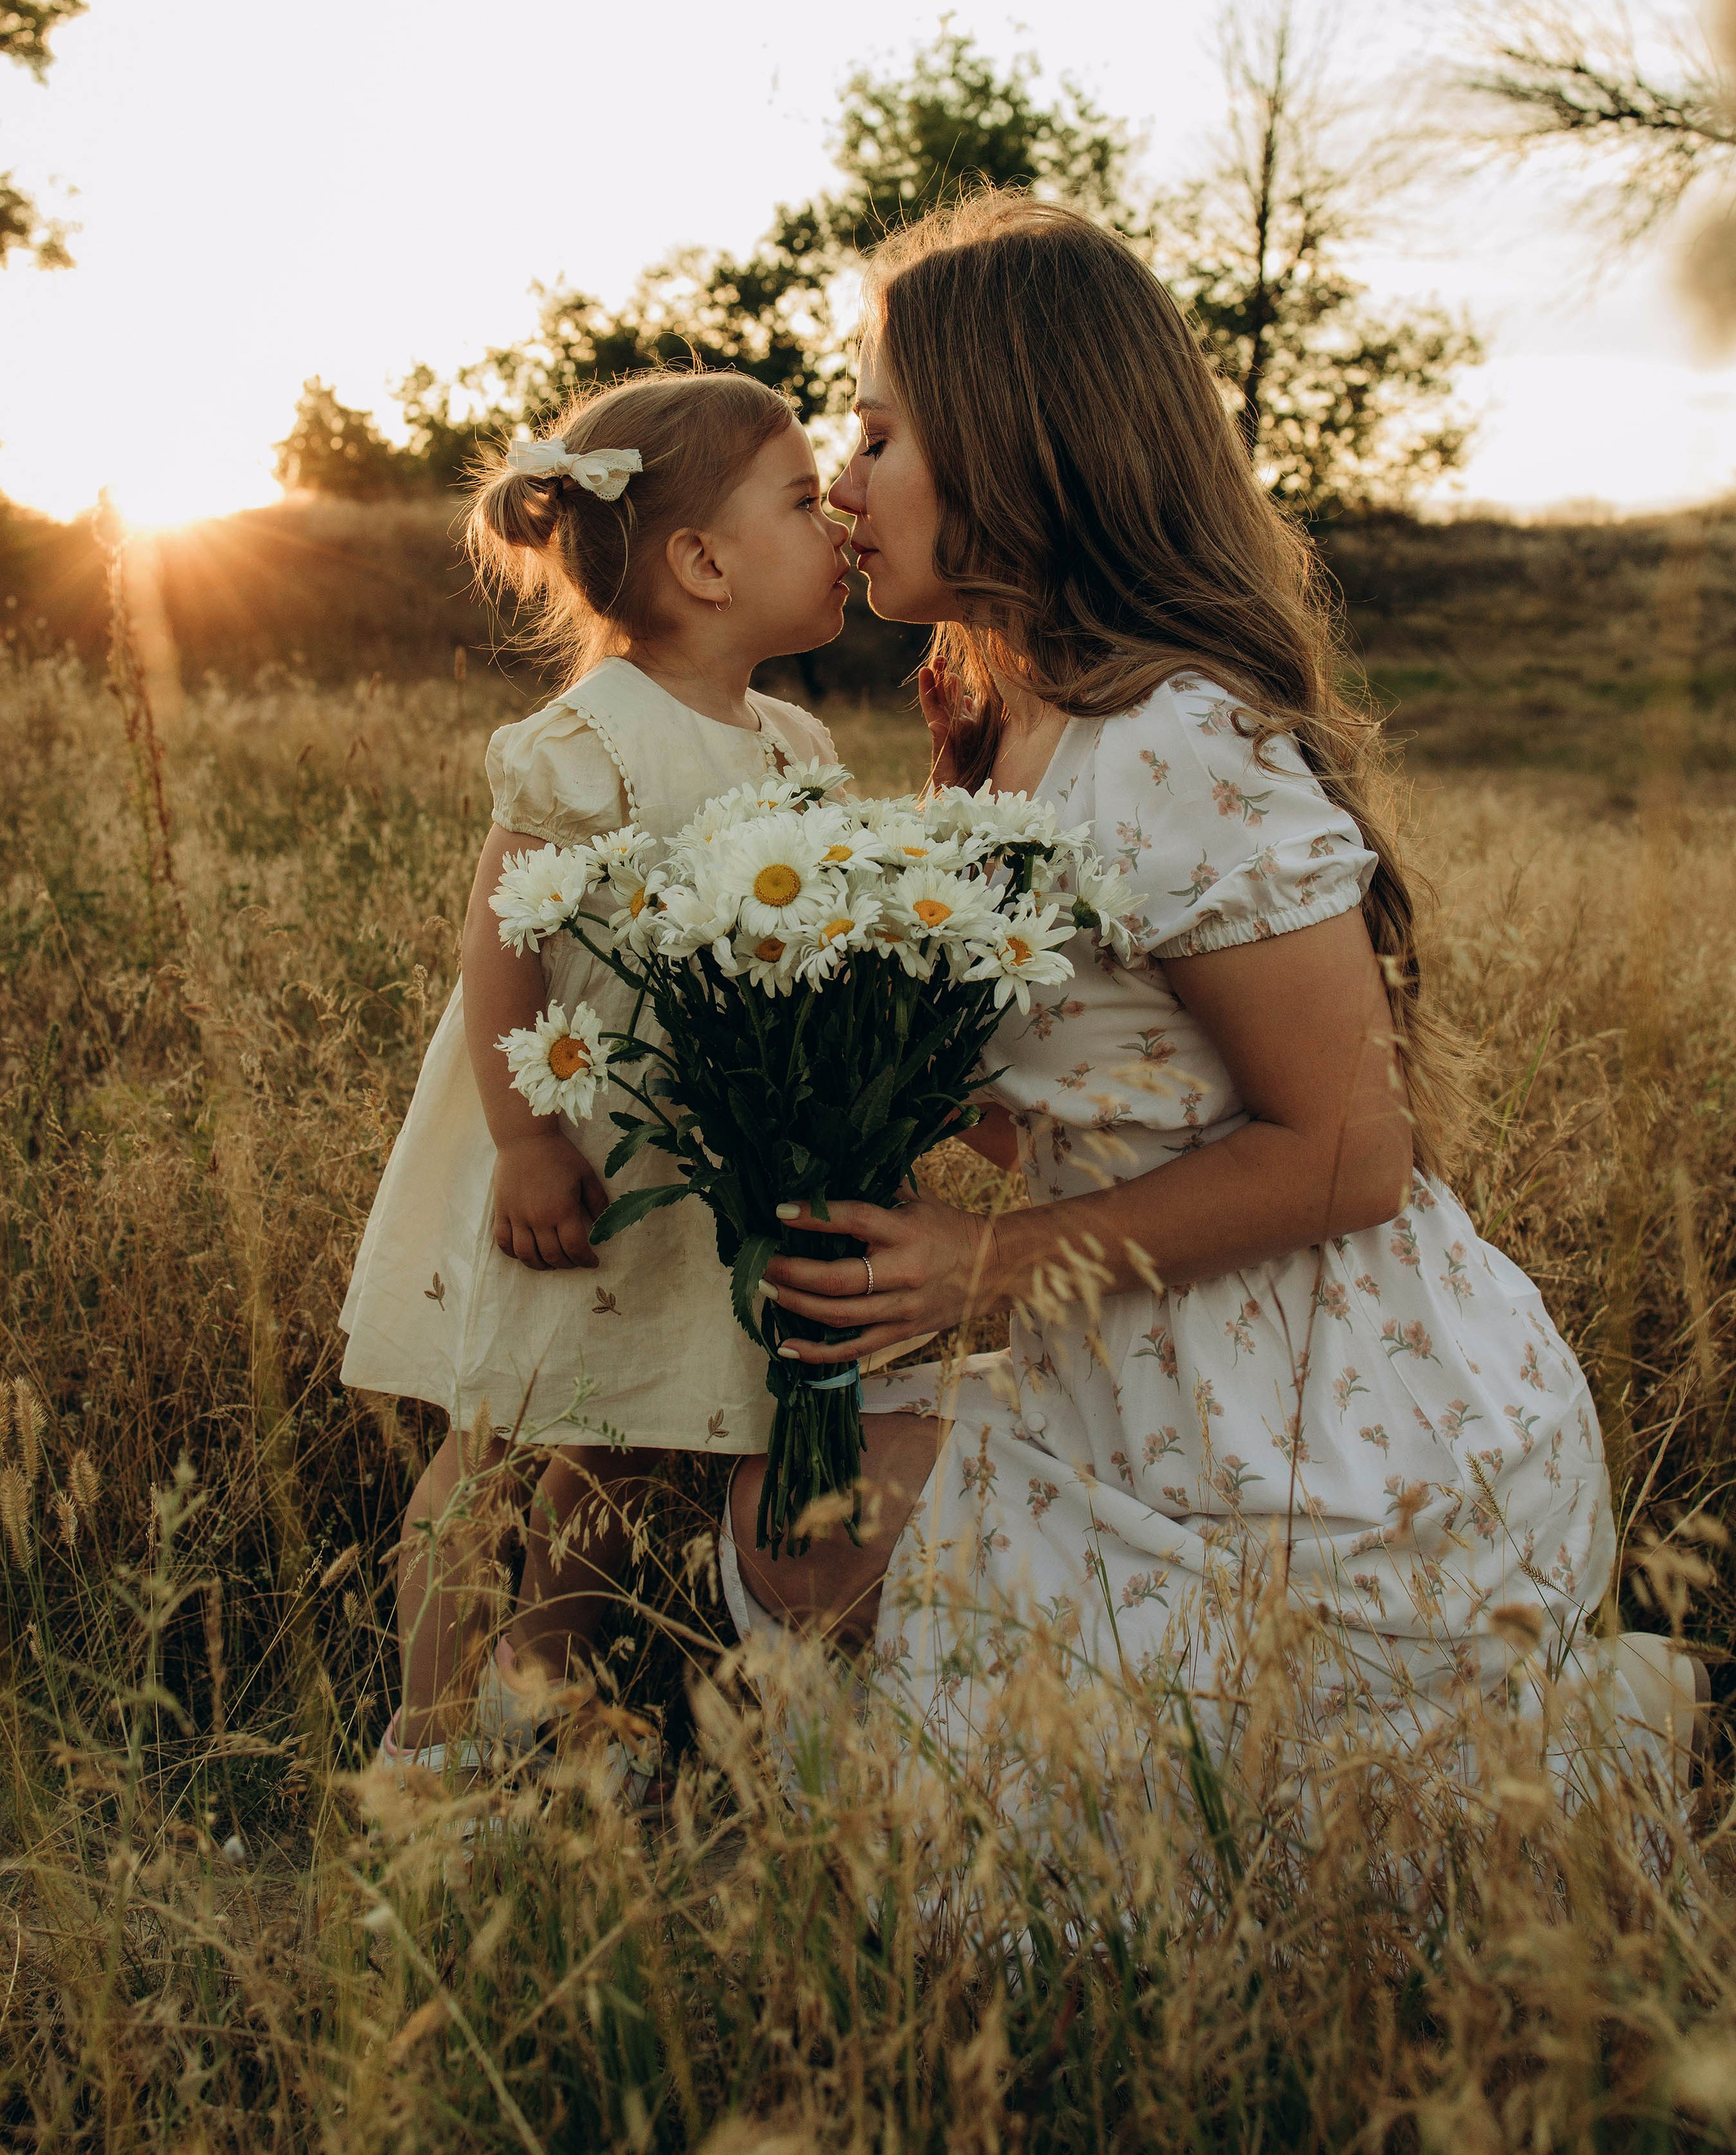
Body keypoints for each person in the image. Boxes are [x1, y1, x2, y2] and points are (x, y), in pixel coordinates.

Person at [720, 193, 1703, 1790]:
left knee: (1006, 1818)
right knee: (770, 1524)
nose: (841, 477)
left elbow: (1344, 1152)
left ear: (1016, 443)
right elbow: (1092, 1091)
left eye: (879, 432)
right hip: (1126, 1349)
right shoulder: (1000, 731)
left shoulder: (1174, 737)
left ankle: (1608, 1735)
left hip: (1326, 1428)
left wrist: (988, 1266)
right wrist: (798, 1056)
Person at [340, 371, 850, 1772]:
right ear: (700, 561)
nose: (840, 527)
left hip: (690, 1172)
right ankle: (430, 1742)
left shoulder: (794, 747)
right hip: (571, 1154)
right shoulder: (594, 742)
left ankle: (544, 1688)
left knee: (624, 1441)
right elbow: (503, 943)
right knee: (496, 1448)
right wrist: (522, 1141)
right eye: (805, 502)